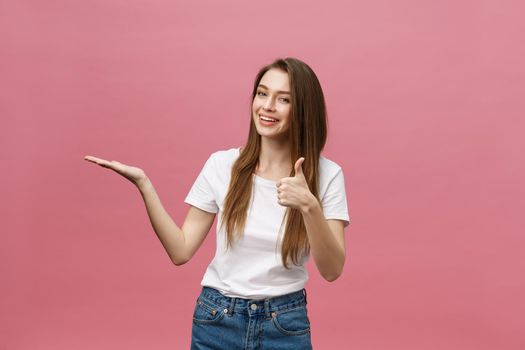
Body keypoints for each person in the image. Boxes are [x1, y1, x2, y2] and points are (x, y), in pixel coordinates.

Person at [84, 57, 350, 349]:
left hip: (284, 323)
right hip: (218, 319)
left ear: (302, 110)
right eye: (262, 93)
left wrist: (309, 206)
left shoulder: (327, 175)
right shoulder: (222, 165)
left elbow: (332, 269)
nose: (267, 106)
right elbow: (180, 250)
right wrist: (144, 185)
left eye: (283, 99)